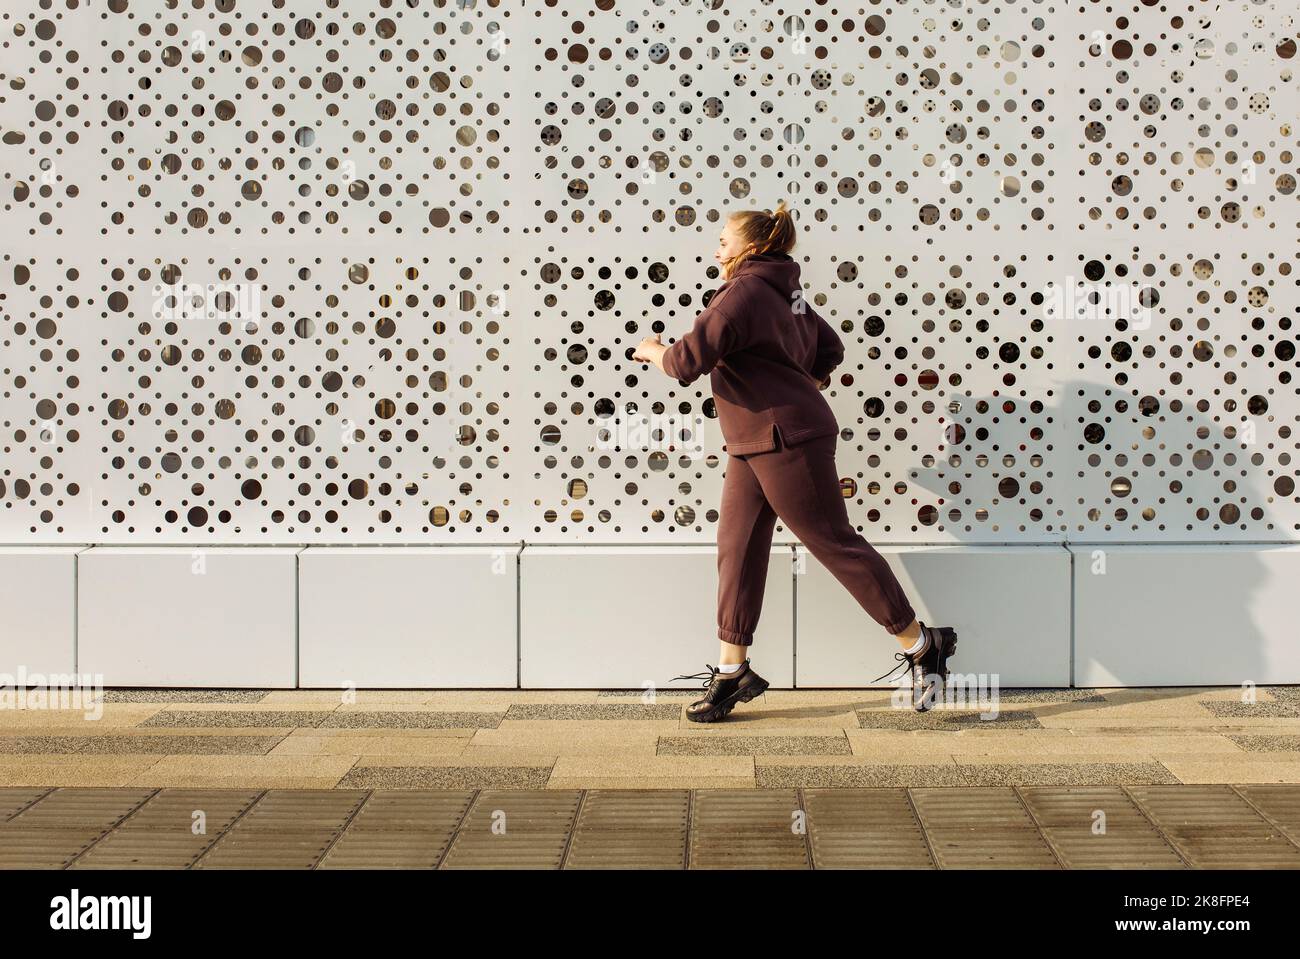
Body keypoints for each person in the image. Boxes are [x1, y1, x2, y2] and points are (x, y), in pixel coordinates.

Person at [632, 201, 958, 722]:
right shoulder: (786, 290)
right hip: (753, 440)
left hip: (787, 439)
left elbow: (685, 361)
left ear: (752, 247)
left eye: (724, 240)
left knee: (833, 542)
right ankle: (732, 670)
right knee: (736, 549)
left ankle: (922, 644)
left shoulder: (741, 292)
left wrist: (652, 350)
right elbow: (829, 348)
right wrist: (799, 381)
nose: (716, 248)